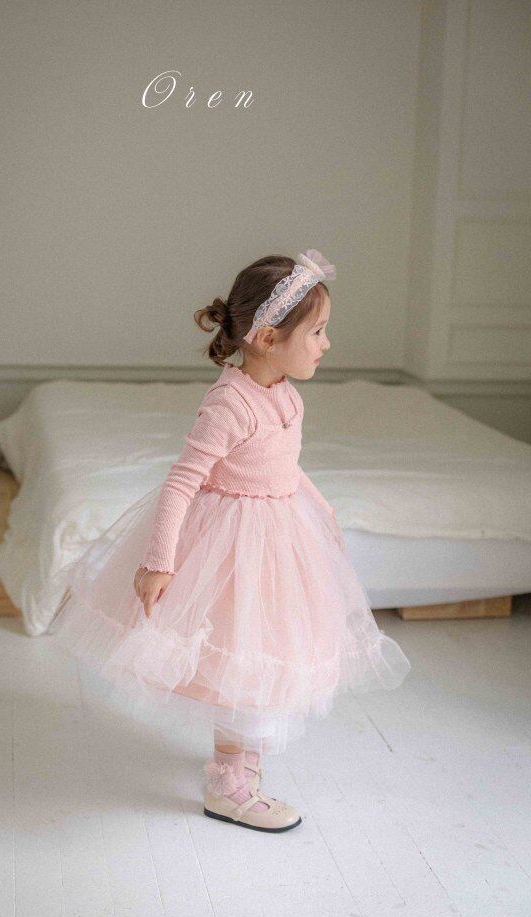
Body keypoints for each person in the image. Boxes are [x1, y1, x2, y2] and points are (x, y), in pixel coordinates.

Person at [48, 248, 411, 833]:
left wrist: (323, 514)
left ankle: (242, 756)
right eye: (317, 332)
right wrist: (160, 560)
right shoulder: (229, 403)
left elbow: (286, 467)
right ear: (267, 338)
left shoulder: (285, 394)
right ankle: (228, 783)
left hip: (279, 537)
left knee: (271, 646)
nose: (327, 343)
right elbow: (182, 481)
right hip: (233, 545)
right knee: (239, 651)